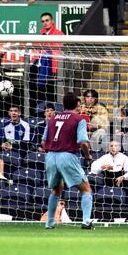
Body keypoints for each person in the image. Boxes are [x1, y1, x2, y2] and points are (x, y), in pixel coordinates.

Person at [43, 92, 94, 230]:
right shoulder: (79, 119)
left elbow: (43, 141)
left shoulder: (52, 119)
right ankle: (86, 221)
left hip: (50, 156)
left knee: (56, 190)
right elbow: (83, 142)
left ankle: (49, 223)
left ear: (63, 105)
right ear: (77, 104)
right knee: (86, 189)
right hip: (67, 155)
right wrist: (88, 156)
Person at [30, 12, 64, 109]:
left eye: (47, 20)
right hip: (40, 67)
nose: (45, 23)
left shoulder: (59, 34)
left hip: (52, 67)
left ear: (52, 21)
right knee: (31, 70)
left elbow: (57, 52)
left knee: (48, 91)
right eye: (43, 21)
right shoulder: (41, 34)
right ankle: (35, 107)